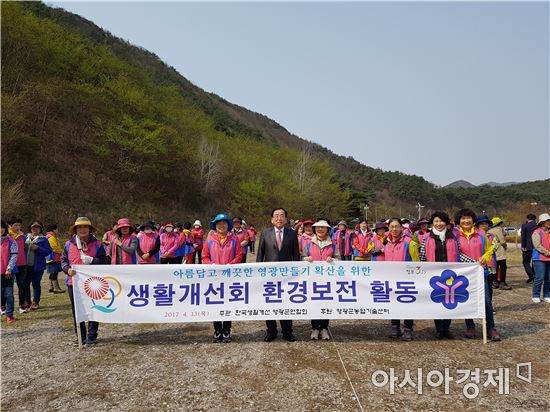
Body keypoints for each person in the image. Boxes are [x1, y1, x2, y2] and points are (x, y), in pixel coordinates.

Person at [454, 209, 501, 341]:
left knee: (486, 301)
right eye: (463, 218)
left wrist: (484, 258)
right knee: (467, 300)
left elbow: (489, 250)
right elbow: (456, 253)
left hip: (481, 273)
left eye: (468, 218)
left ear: (473, 219)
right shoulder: (455, 236)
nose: (466, 221)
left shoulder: (481, 234)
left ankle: (491, 328)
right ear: (459, 221)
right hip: (463, 275)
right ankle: (470, 326)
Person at [61, 217, 110, 345]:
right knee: (77, 310)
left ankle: (92, 336)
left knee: (94, 308)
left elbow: (106, 261)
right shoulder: (68, 244)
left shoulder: (98, 244)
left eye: (85, 227)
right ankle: (80, 336)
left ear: (89, 229)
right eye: (79, 227)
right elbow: (63, 261)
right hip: (74, 283)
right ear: (75, 230)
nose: (82, 230)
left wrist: (92, 260)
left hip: (93, 283)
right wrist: (67, 270)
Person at [257, 207, 301, 342]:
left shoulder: (292, 234)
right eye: (276, 215)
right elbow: (260, 255)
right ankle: (271, 331)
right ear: (271, 219)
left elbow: (296, 256)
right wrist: (258, 274)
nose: (279, 218)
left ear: (286, 219)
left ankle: (287, 331)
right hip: (269, 277)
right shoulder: (265, 233)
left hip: (287, 277)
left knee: (286, 303)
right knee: (269, 302)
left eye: (282, 215)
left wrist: (297, 274)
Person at [202, 214, 243, 342]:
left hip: (229, 277)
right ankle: (217, 330)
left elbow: (239, 256)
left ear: (228, 225)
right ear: (215, 226)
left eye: (224, 223)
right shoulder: (209, 240)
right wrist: (212, 265)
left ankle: (226, 330)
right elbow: (204, 257)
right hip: (213, 278)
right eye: (218, 224)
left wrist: (230, 265)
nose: (221, 226)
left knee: (227, 303)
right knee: (215, 304)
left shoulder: (234, 239)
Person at [419, 212, 460, 339]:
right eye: (436, 221)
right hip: (434, 276)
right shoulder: (427, 238)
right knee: (436, 300)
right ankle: (438, 328)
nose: (439, 224)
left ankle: (446, 328)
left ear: (446, 223)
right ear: (432, 223)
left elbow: (459, 254)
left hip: (451, 275)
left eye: (442, 221)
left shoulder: (453, 237)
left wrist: (474, 263)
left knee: (450, 301)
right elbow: (422, 257)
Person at [302, 219, 339, 340]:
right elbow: (302, 258)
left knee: (326, 303)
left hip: (328, 280)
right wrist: (306, 259)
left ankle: (324, 328)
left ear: (328, 230)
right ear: (315, 229)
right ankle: (314, 328)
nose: (320, 229)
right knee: (314, 303)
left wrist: (334, 260)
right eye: (318, 227)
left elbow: (339, 259)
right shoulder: (308, 244)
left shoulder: (333, 244)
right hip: (313, 280)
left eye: (323, 227)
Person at [384, 218, 418, 341]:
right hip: (390, 279)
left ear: (401, 228)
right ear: (388, 228)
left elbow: (416, 262)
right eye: (391, 226)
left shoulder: (410, 243)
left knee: (407, 303)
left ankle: (408, 328)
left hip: (406, 280)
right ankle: (395, 326)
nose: (394, 229)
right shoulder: (386, 243)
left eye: (396, 226)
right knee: (393, 302)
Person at [24, 221, 53, 310]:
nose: (35, 229)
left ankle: (35, 302)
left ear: (40, 229)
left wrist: (38, 248)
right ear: (30, 229)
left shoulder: (43, 239)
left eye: (37, 227)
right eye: (33, 227)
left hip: (38, 266)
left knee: (36, 284)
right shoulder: (25, 238)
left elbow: (48, 251)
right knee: (25, 284)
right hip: (25, 266)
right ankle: (27, 302)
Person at [8, 218, 28, 313]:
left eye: (19, 225)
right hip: (10, 265)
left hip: (22, 264)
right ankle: (5, 306)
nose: (17, 227)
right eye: (15, 225)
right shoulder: (7, 236)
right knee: (8, 287)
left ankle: (22, 305)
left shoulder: (23, 236)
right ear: (10, 226)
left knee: (22, 285)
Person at [1, 220, 18, 324]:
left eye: (1, 227)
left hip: (7, 273)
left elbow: (14, 255)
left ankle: (9, 315)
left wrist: (9, 268)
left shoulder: (11, 241)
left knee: (8, 294)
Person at [531, 213, 550, 303]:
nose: (549, 222)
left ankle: (547, 295)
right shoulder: (537, 232)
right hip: (539, 258)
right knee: (539, 277)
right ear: (542, 222)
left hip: (549, 258)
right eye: (547, 221)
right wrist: (547, 253)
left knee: (548, 278)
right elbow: (537, 246)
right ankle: (535, 295)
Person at [489, 217, 511, 290]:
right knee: (503, 267)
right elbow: (502, 241)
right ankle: (502, 283)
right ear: (499, 223)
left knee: (495, 267)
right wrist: (505, 246)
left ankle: (495, 282)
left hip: (492, 251)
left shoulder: (489, 230)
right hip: (499, 251)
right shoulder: (498, 230)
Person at [46, 224, 65, 293]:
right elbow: (54, 248)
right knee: (54, 273)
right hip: (54, 258)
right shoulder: (52, 238)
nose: (57, 231)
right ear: (53, 230)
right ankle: (56, 288)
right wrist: (62, 251)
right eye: (57, 229)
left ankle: (51, 287)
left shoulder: (50, 237)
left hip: (51, 258)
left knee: (52, 273)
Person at [521, 214, 537, 283]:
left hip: (527, 247)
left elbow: (523, 237)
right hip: (536, 246)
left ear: (527, 219)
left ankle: (531, 276)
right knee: (534, 262)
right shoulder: (538, 226)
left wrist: (523, 246)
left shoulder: (525, 226)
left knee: (526, 262)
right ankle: (533, 276)